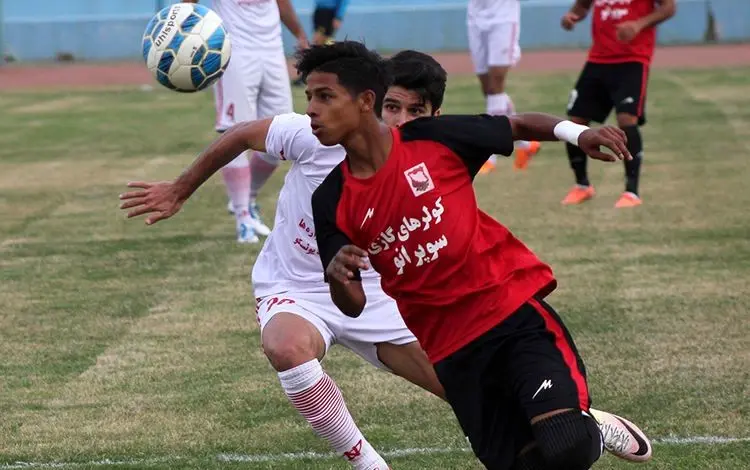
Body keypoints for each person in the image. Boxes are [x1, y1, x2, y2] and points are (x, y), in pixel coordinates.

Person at [120, 47, 652, 469]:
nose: (400, 119)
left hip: (391, 296)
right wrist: (180, 188)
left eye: (412, 110)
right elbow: (240, 135)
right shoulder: (316, 150)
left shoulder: (429, 146)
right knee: (286, 347)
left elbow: (509, 129)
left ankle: (583, 421)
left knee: (488, 403)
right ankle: (368, 463)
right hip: (298, 286)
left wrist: (576, 132)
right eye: (393, 107)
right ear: (373, 103)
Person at [303, 41, 644, 470]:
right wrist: (337, 276)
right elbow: (352, 305)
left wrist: (580, 134)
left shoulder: (432, 138)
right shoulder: (330, 198)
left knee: (568, 445)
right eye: (309, 97)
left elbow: (517, 124)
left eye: (325, 96)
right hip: (451, 352)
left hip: (510, 316)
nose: (311, 110)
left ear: (365, 100)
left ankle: (591, 427)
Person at [184, 0, 308, 242]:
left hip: (273, 50)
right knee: (235, 133)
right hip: (234, 51)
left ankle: (246, 199)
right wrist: (187, 32)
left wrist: (300, 34)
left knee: (281, 138)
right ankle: (243, 219)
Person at [559, 0, 676, 207]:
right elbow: (582, 6)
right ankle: (582, 185)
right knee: (576, 120)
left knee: (626, 119)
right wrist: (571, 17)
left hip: (633, 58)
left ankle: (631, 192)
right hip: (598, 59)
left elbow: (669, 7)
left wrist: (638, 24)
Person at [466, 0, 541, 174]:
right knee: (489, 90)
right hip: (475, 17)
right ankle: (526, 144)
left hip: (503, 17)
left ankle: (490, 154)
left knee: (495, 87)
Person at [292, 0, 350, 87]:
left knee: (318, 45)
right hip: (319, 11)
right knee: (320, 45)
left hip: (329, 12)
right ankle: (311, 75)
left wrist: (339, 16)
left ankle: (307, 75)